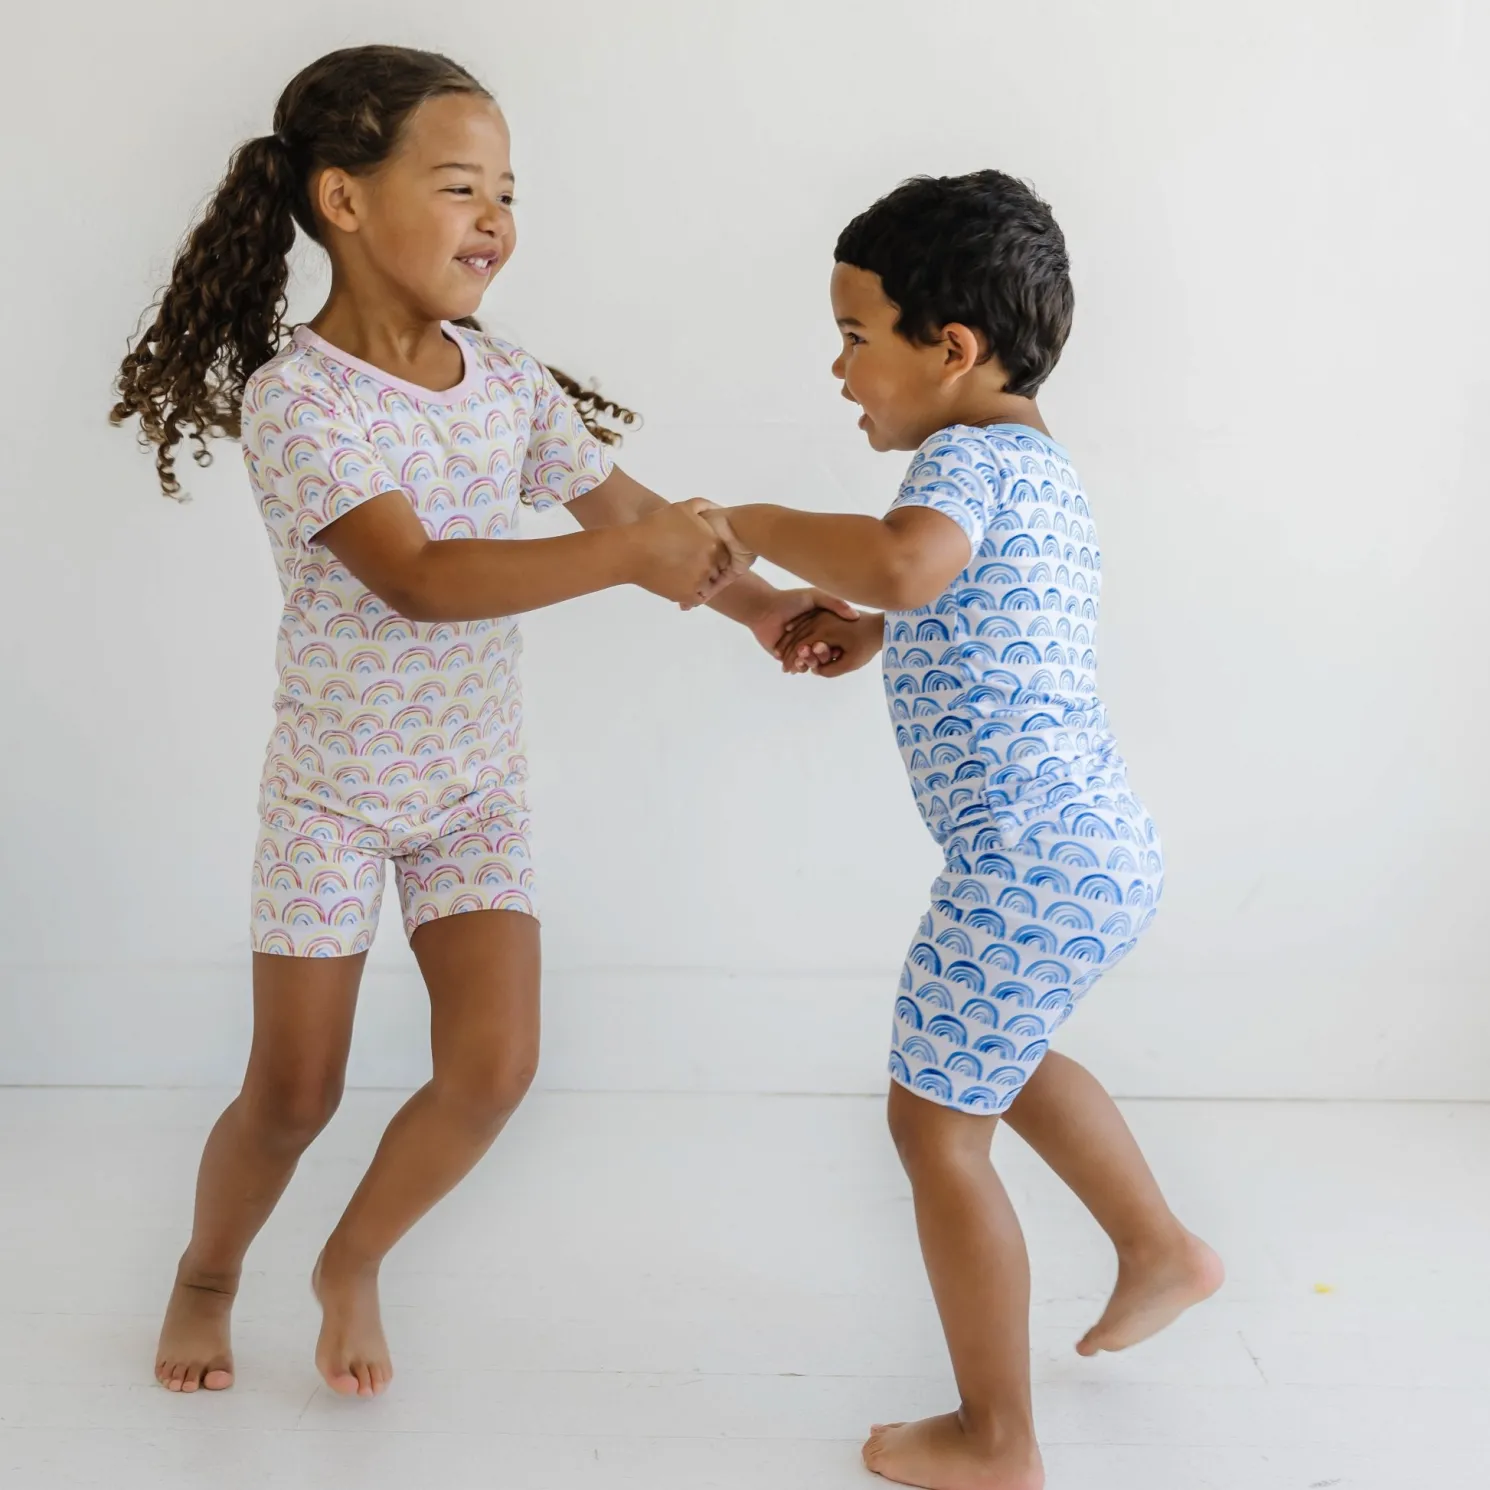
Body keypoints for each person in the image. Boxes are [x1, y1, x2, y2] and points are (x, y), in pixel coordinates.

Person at [110, 43, 849, 1400]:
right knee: (292, 1092)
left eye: (507, 190)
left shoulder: (503, 381)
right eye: (460, 186)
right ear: (341, 198)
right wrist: (631, 563)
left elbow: (628, 515)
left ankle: (351, 1258)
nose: (495, 219)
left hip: (472, 791)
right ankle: (209, 1271)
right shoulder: (299, 401)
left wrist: (759, 606)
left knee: (497, 1065)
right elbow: (423, 577)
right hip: (332, 797)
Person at [697, 172, 1223, 1490]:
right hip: (1090, 846)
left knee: (935, 1127)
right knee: (1003, 1051)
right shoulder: (1038, 471)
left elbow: (911, 562)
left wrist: (754, 525)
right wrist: (875, 625)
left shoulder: (965, 459)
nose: (835, 366)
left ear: (950, 349)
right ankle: (1160, 1246)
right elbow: (958, 601)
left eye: (855, 335)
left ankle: (996, 1438)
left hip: (1022, 857)